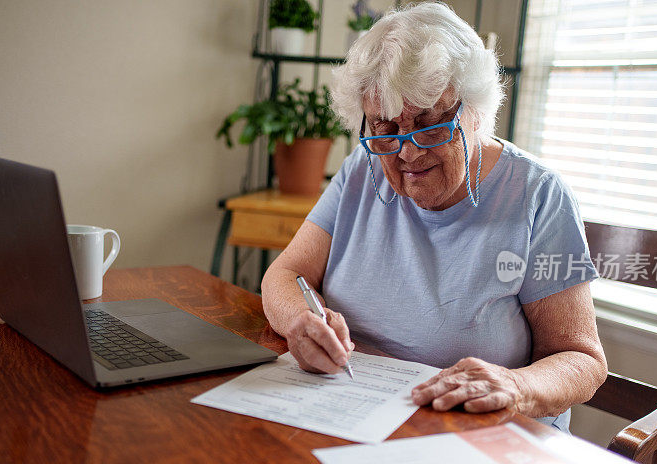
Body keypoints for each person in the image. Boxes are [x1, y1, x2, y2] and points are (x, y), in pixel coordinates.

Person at [260, 2, 607, 431]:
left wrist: (514, 386)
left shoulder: (538, 195)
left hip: (479, 434)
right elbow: (286, 273)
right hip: (354, 415)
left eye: (428, 126)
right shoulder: (363, 168)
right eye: (385, 130)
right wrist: (301, 321)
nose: (407, 152)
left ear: (474, 112)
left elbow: (581, 360)